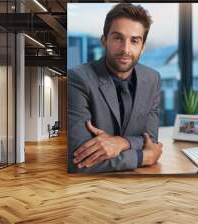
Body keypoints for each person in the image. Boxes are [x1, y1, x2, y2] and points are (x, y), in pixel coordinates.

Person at [67, 3, 163, 173]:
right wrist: (143, 157)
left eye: (135, 41)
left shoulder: (152, 79)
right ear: (104, 40)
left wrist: (121, 142)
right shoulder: (78, 78)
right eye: (118, 38)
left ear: (142, 48)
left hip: (141, 183)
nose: (125, 49)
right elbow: (79, 159)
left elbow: (152, 141)